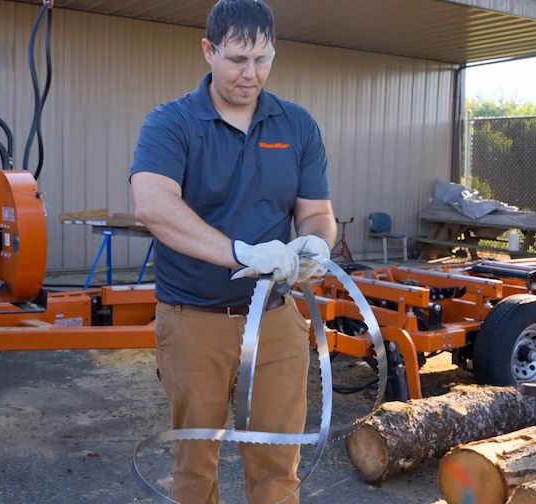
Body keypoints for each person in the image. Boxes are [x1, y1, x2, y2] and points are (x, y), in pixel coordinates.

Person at [129, 1, 337, 502]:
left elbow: (316, 212)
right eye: (237, 59)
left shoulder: (296, 125)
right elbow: (152, 205)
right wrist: (240, 252)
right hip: (193, 322)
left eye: (262, 59)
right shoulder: (172, 123)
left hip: (276, 318)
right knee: (195, 470)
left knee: (276, 466)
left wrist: (314, 244)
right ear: (209, 50)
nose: (251, 74)